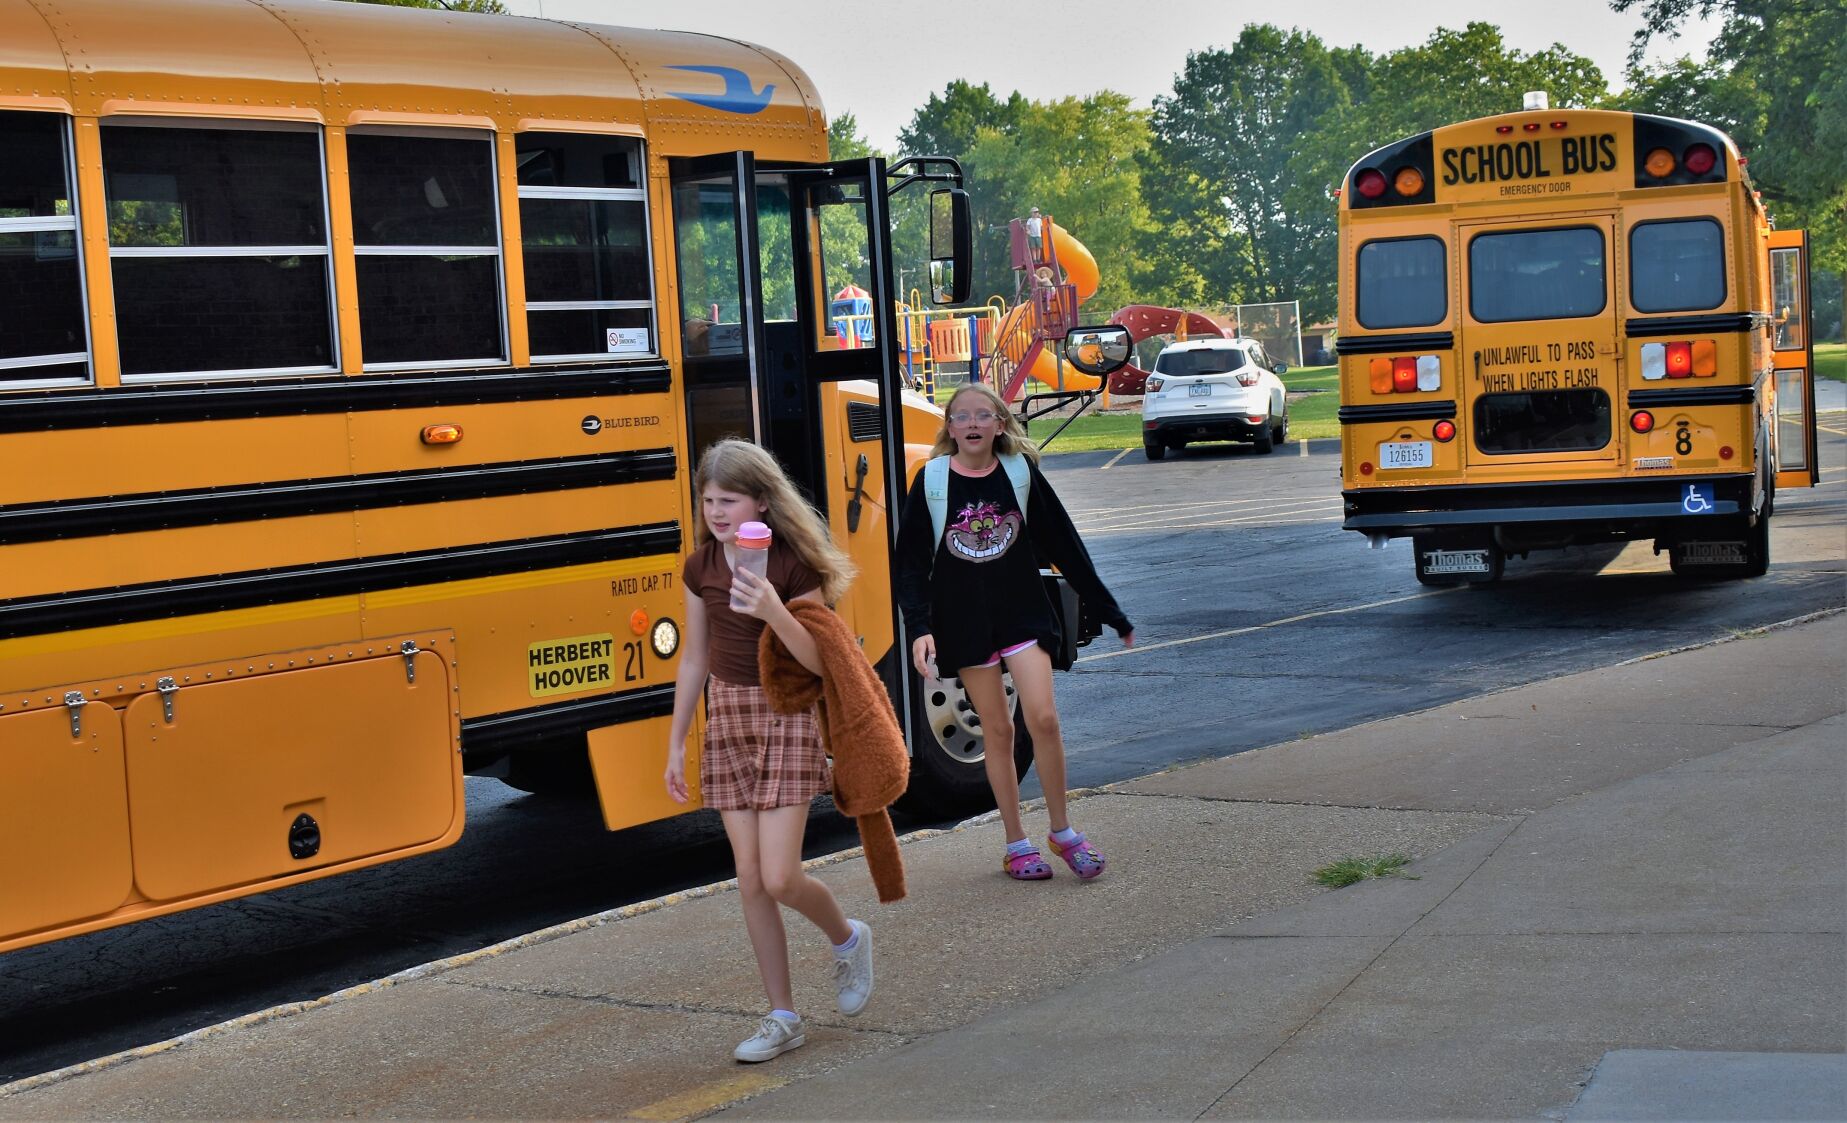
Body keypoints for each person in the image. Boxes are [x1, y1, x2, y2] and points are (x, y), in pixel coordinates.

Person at [664, 439, 874, 1063]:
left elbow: (820, 661)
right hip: (727, 716)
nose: (717, 512)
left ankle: (847, 937)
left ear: (761, 499)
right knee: (750, 879)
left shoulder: (791, 566)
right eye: (708, 500)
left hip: (784, 714)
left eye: (728, 500)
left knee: (782, 875)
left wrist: (775, 609)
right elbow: (695, 657)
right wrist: (676, 742)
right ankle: (783, 1016)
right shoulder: (699, 566)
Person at [895, 384, 1134, 883]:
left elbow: (1064, 543)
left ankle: (1062, 831)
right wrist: (919, 628)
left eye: (984, 415)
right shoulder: (933, 479)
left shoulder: (1020, 473)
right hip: (964, 621)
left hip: (1022, 615)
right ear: (950, 427)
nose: (973, 423)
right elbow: (912, 565)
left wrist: (1109, 608)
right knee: (997, 731)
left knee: (1043, 719)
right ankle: (1015, 842)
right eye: (962, 416)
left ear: (1000, 424)